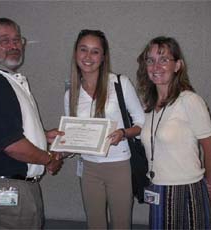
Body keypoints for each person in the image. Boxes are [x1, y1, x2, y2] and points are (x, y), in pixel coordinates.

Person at [0, 18, 64, 229]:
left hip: (14, 191)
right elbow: (12, 145)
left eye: (17, 39)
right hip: (8, 193)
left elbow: (6, 131)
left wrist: (42, 135)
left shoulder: (6, 80)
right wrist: (48, 159)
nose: (13, 46)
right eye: (4, 41)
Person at [136, 36, 211, 229]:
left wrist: (210, 185)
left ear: (177, 65)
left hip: (186, 190)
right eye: (151, 60)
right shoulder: (149, 106)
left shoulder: (190, 101)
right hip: (157, 187)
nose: (156, 66)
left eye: (164, 59)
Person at [64, 29, 145, 229]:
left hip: (119, 165)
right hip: (89, 167)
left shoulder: (119, 83)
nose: (88, 57)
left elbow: (142, 123)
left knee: (121, 223)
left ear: (103, 57)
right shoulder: (70, 94)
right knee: (95, 224)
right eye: (83, 50)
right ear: (75, 53)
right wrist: (59, 148)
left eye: (95, 51)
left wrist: (123, 133)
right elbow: (73, 139)